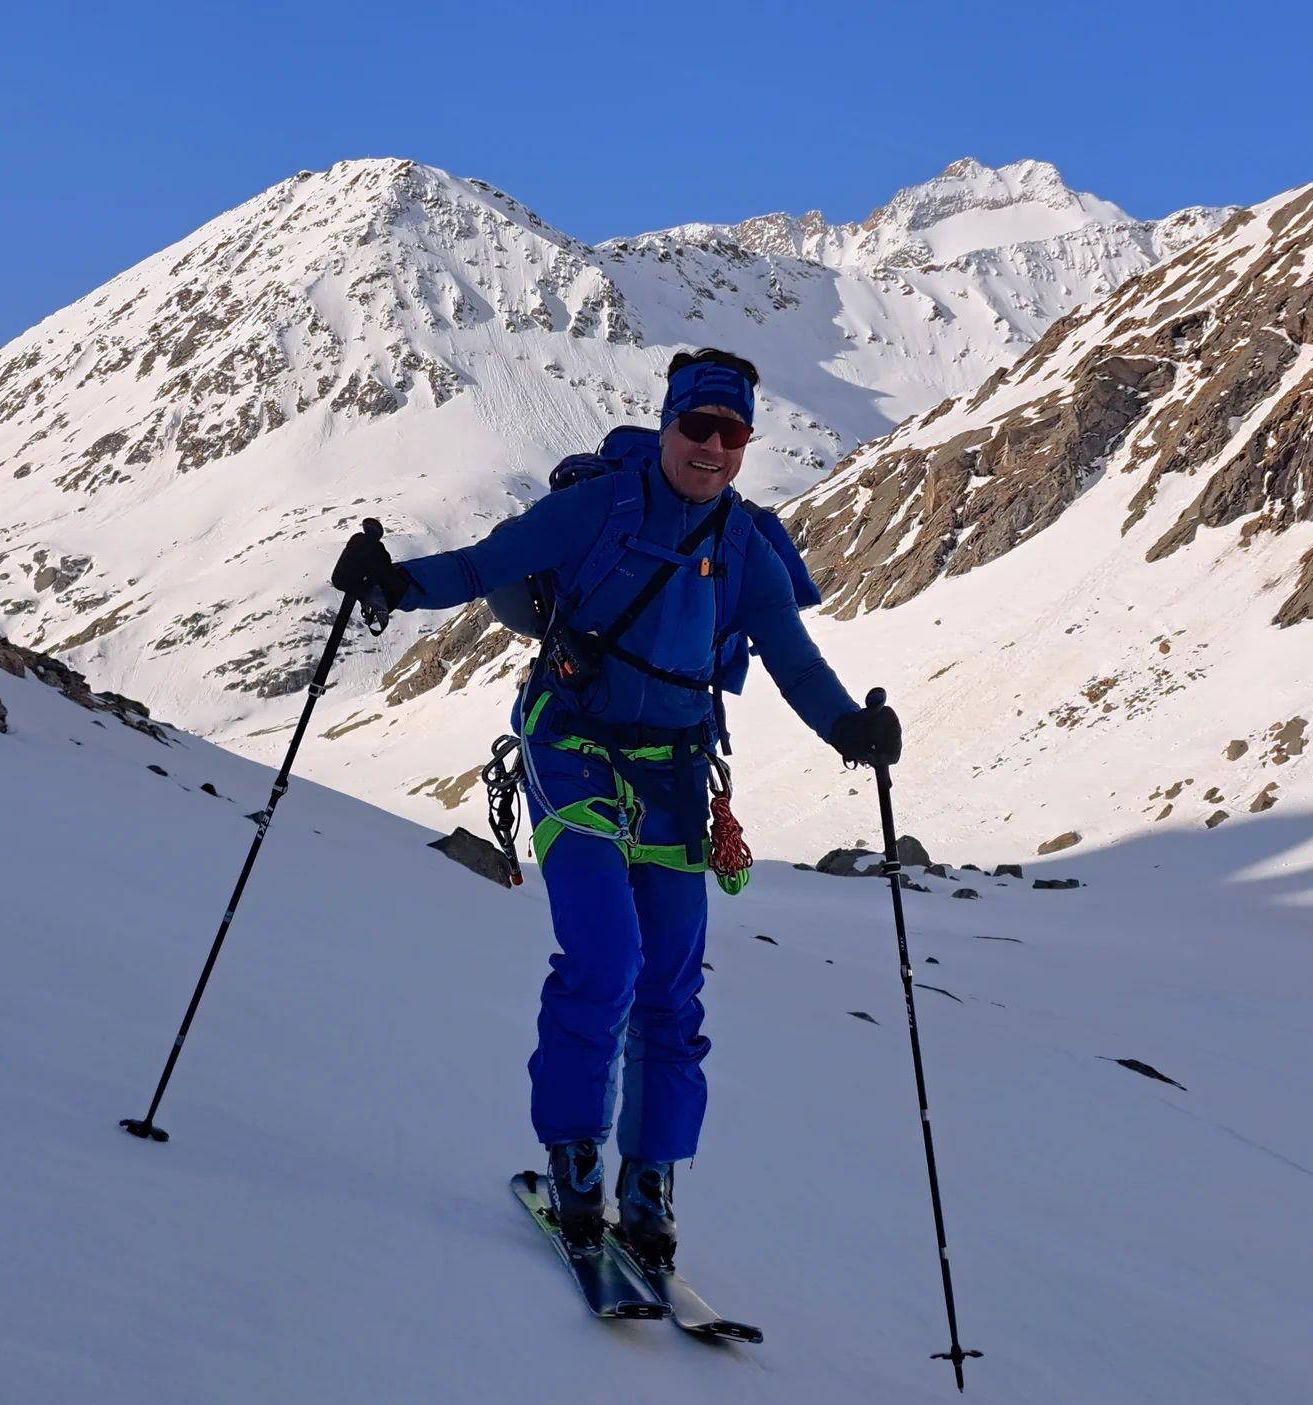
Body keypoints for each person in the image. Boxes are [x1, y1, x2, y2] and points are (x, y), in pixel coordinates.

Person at [332, 349, 900, 1263]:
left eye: (734, 433)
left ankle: (651, 1183)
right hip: (572, 747)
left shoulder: (744, 544)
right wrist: (388, 582)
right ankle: (574, 1164)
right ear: (670, 424)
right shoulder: (601, 505)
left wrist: (850, 730)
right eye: (698, 428)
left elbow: (794, 660)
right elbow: (487, 566)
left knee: (672, 992)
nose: (713, 448)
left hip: (674, 773)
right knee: (607, 958)